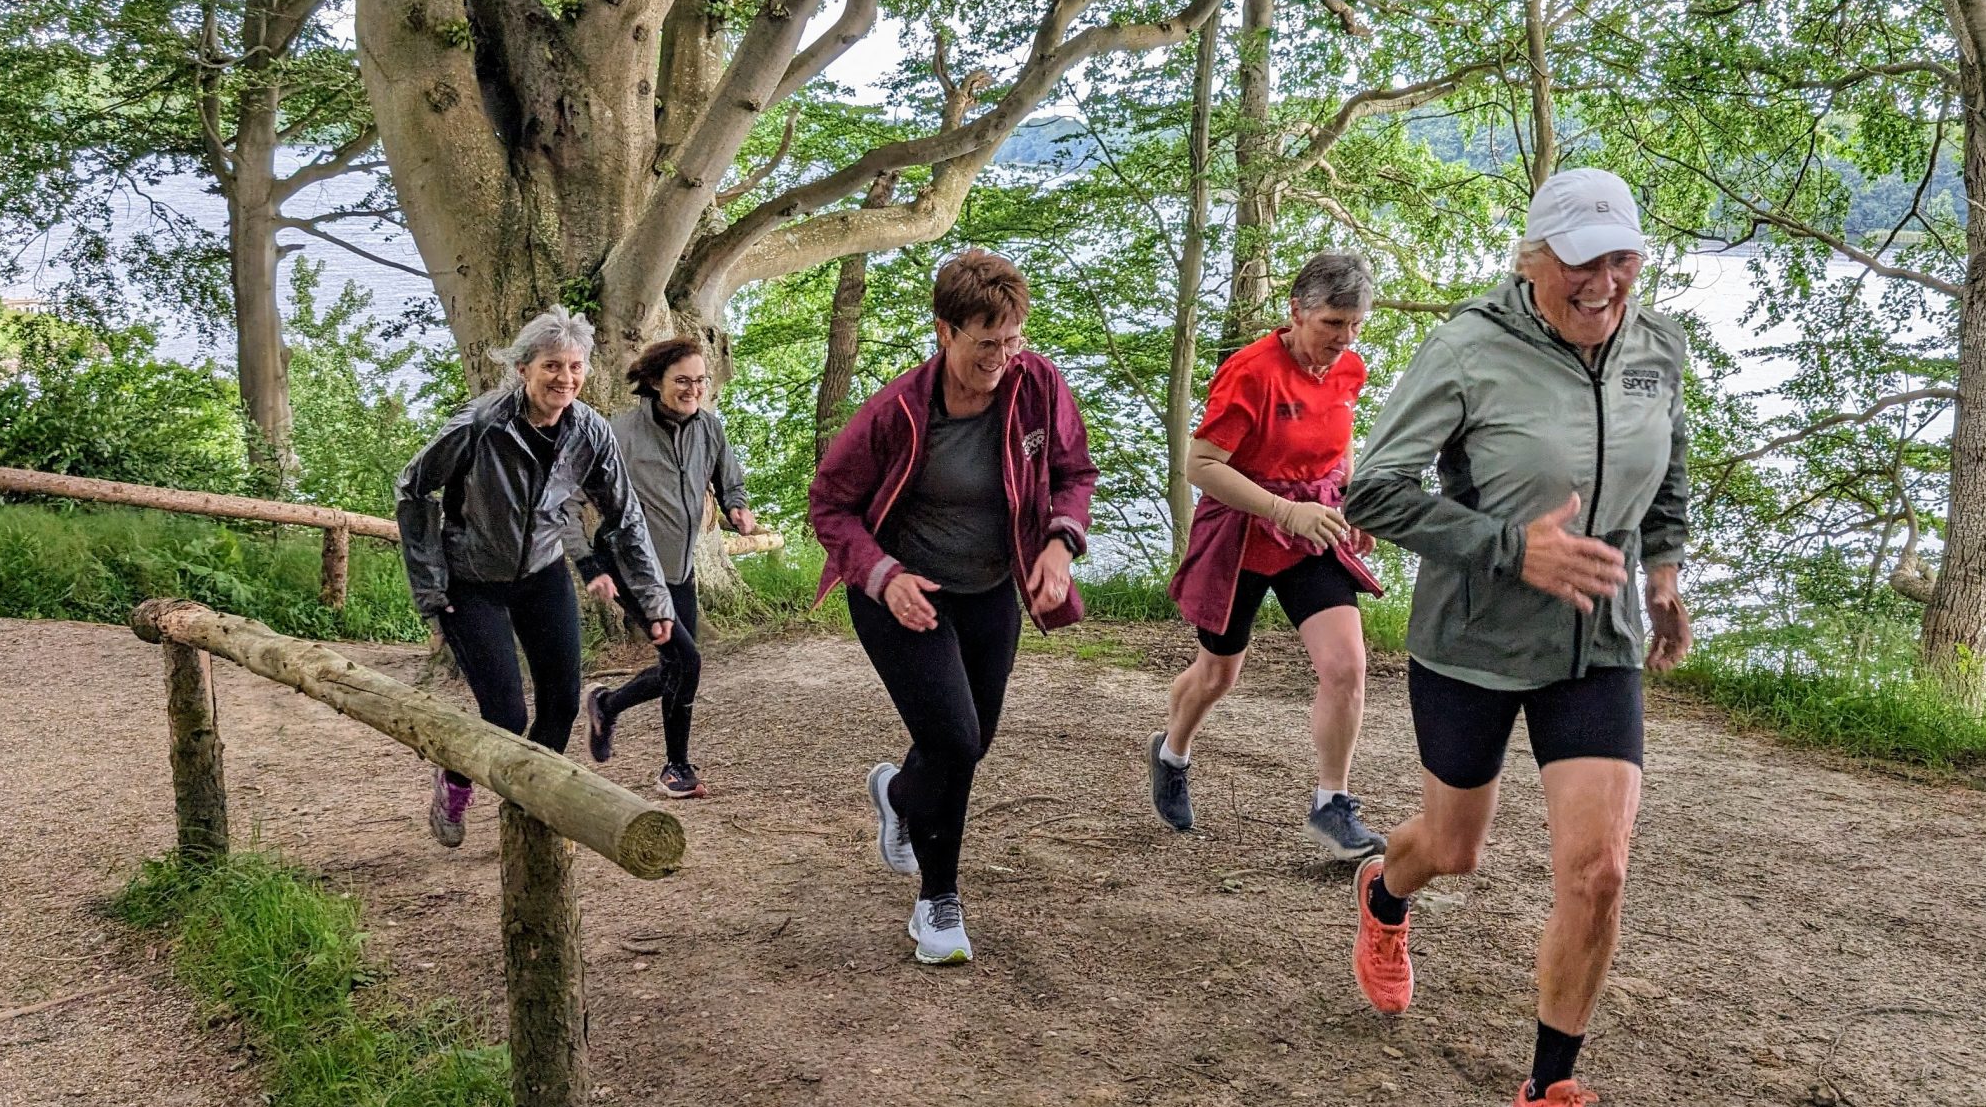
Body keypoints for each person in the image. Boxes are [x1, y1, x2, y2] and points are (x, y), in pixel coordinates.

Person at [1340, 167, 1692, 1107]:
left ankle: (1545, 1098)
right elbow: (1373, 488)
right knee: (1451, 849)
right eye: (1581, 262)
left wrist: (1663, 571)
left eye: (1621, 257)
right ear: (1533, 259)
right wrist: (1509, 547)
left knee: (1600, 871)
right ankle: (1385, 889)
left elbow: (1666, 471)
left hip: (1598, 639)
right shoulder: (1465, 348)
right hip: (1476, 642)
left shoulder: (1657, 347)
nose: (1605, 282)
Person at [810, 250, 1097, 965]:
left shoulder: (1037, 386)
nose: (1002, 357)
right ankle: (938, 902)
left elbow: (1073, 472)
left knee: (971, 737)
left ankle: (901, 795)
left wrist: (1060, 545)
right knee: (956, 744)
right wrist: (881, 575)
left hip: (991, 590)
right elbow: (830, 503)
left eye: (1013, 339)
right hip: (901, 594)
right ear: (945, 332)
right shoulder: (898, 409)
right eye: (985, 342)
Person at [395, 307, 675, 848]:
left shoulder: (590, 431)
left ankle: (526, 810)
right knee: (503, 711)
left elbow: (625, 518)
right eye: (551, 366)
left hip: (543, 574)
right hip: (472, 581)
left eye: (575, 367)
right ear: (523, 369)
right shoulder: (479, 425)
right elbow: (413, 488)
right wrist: (431, 586)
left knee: (562, 703)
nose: (564, 379)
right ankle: (454, 781)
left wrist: (654, 600)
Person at [1154, 252, 1385, 858]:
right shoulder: (1250, 372)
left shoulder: (1349, 370)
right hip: (1240, 538)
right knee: (1218, 674)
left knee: (1346, 667)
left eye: (1356, 323)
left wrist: (1350, 500)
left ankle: (1331, 806)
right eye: (1333, 323)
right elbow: (1200, 466)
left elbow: (1338, 448)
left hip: (1311, 534)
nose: (1344, 339)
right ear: (1296, 311)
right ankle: (1173, 751)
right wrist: (1284, 511)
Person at [572, 337, 758, 799]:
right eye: (682, 381)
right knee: (686, 660)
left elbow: (727, 478)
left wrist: (737, 508)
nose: (692, 389)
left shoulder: (709, 429)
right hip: (628, 567)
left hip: (679, 569)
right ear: (656, 383)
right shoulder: (617, 434)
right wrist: (590, 563)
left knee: (679, 665)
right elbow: (567, 500)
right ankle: (676, 766)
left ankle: (606, 704)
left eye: (700, 381)